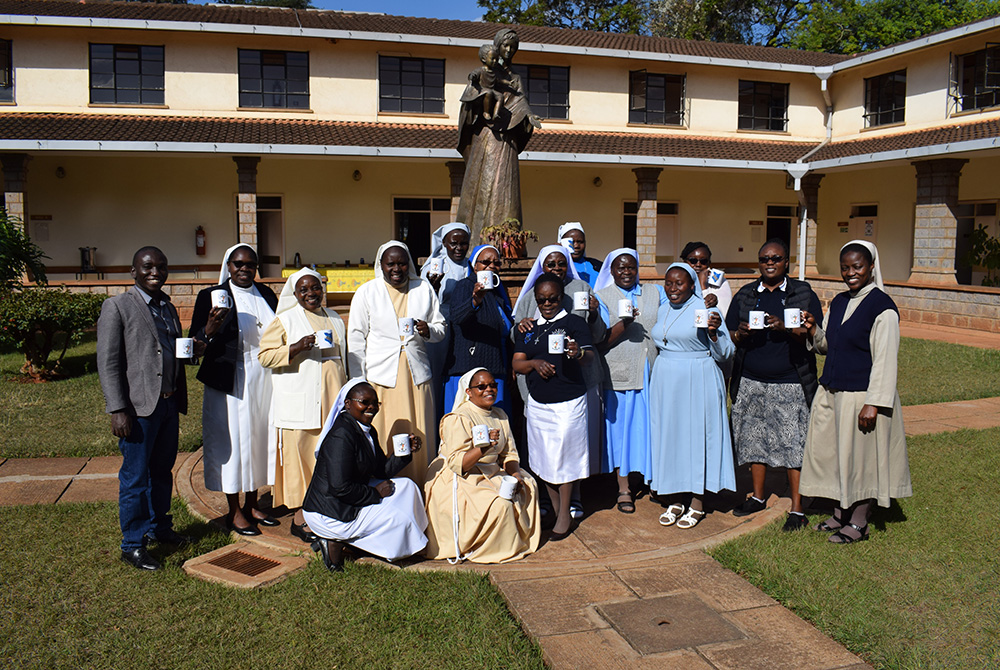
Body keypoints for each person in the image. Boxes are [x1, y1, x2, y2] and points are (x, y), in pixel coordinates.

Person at [800, 240, 912, 544]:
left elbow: (886, 360)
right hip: (833, 392)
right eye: (845, 268)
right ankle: (840, 513)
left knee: (861, 461)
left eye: (857, 267)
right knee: (836, 457)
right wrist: (813, 331)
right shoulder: (838, 302)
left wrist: (873, 404)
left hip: (862, 396)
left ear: (872, 267)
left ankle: (860, 521)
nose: (851, 273)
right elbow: (829, 347)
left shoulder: (882, 307)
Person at [97, 246, 199, 571]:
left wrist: (198, 346)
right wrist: (117, 408)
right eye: (147, 266)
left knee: (161, 472)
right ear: (133, 272)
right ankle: (133, 544)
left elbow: (169, 352)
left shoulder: (167, 307)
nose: (155, 272)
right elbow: (109, 362)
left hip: (168, 405)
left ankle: (160, 528)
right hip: (139, 410)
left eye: (161, 266)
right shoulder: (118, 307)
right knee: (135, 478)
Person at [726, 239, 823, 531]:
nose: (770, 262)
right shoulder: (746, 294)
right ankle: (757, 496)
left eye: (776, 258)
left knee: (793, 445)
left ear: (786, 263)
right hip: (752, 380)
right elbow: (731, 333)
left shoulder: (802, 292)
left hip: (790, 381)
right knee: (755, 441)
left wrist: (785, 328)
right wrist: (740, 334)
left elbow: (812, 334)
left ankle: (797, 508)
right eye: (764, 258)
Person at [189, 244, 278, 536]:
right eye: (238, 264)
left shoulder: (266, 294)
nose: (244, 269)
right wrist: (210, 328)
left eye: (250, 264)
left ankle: (253, 503)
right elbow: (194, 345)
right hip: (228, 378)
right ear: (228, 266)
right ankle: (234, 510)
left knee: (259, 440)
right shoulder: (210, 297)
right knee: (233, 444)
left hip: (263, 378)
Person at [512, 244, 605, 519]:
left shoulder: (576, 313)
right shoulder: (530, 312)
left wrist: (578, 350)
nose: (547, 303)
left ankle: (568, 506)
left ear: (561, 297)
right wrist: (531, 357)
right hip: (539, 399)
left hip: (570, 394)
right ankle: (552, 506)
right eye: (543, 300)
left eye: (553, 299)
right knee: (544, 455)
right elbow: (519, 354)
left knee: (568, 453)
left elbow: (590, 347)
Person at [258, 267, 348, 544]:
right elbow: (264, 356)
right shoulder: (285, 320)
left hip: (331, 399)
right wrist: (296, 347)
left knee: (329, 457)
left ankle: (325, 510)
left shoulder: (334, 318)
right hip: (300, 400)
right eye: (304, 290)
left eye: (316, 288)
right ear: (294, 294)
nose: (311, 294)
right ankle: (301, 518)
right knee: (303, 460)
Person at [302, 379, 428, 571]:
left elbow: (380, 471)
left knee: (408, 487)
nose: (371, 407)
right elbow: (339, 487)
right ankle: (335, 540)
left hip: (345, 500)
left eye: (374, 403)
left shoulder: (366, 430)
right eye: (364, 402)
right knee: (397, 518)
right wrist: (375, 494)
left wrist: (405, 453)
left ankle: (358, 541)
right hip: (329, 513)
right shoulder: (341, 435)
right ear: (348, 403)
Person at [347, 241, 447, 485]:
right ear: (381, 265)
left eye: (402, 263)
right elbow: (356, 337)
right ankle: (385, 483)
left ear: (409, 264)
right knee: (385, 432)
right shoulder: (367, 292)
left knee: (419, 431)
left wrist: (428, 331)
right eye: (390, 263)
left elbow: (441, 328)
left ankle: (421, 484)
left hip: (416, 376)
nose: (396, 268)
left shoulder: (423, 288)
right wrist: (358, 380)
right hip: (381, 377)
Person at [649, 263, 735, 529]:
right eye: (669, 283)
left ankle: (697, 501)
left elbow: (726, 353)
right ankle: (676, 496)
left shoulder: (706, 310)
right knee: (671, 438)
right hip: (666, 380)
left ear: (692, 285)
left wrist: (713, 333)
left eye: (680, 283)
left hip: (698, 377)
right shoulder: (663, 309)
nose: (673, 289)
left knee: (697, 438)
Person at [424, 368, 540, 563]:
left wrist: (516, 475)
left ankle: (515, 540)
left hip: (491, 470)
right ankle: (489, 548)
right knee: (499, 504)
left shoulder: (500, 414)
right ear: (468, 392)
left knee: (529, 485)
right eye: (481, 386)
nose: (489, 390)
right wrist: (483, 448)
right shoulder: (459, 418)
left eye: (492, 385)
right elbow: (457, 463)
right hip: (464, 476)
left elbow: (509, 453)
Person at [593, 248, 666, 513]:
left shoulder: (654, 293)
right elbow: (600, 342)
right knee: (621, 432)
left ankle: (652, 480)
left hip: (651, 372)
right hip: (620, 374)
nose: (626, 272)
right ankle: (623, 487)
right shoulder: (601, 297)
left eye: (631, 267)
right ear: (611, 271)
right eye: (620, 268)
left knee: (650, 429)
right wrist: (624, 323)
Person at [457, 28, 539, 240]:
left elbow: (521, 102)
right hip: (485, 134)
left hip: (507, 138)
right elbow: (471, 94)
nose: (509, 50)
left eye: (513, 47)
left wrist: (529, 117)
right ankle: (476, 238)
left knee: (506, 185)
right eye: (505, 45)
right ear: (496, 46)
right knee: (480, 185)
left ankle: (508, 241)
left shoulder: (515, 78)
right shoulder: (484, 71)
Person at [444, 244, 514, 415]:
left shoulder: (498, 292)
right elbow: (457, 318)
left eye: (496, 263)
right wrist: (475, 301)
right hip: (470, 370)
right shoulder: (465, 286)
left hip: (496, 367)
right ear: (475, 265)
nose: (491, 266)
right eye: (485, 262)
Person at [420, 222, 471, 418]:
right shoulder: (433, 266)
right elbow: (423, 300)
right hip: (441, 325)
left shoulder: (470, 266)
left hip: (463, 327)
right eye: (454, 243)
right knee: (437, 373)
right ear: (444, 244)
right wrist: (433, 287)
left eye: (463, 243)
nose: (459, 248)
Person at [681, 241, 732, 317]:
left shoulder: (719, 281)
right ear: (685, 262)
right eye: (693, 261)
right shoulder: (680, 282)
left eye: (703, 261)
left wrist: (703, 287)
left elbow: (723, 313)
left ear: (709, 263)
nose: (698, 264)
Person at [557, 222, 602, 287]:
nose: (576, 246)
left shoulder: (597, 265)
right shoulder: (556, 268)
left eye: (580, 242)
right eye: (571, 242)